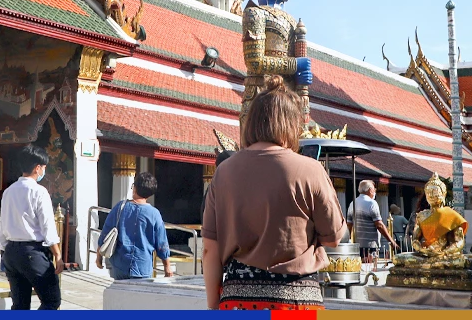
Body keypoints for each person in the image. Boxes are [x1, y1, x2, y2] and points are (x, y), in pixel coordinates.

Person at [202, 89, 346, 311]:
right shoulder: (311, 170)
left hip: (237, 301)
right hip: (297, 301)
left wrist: (213, 305)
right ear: (292, 125)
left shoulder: (224, 173)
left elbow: (210, 250)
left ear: (251, 123)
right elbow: (334, 238)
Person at [0, 145, 62, 310]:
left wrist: (4, 251)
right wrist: (58, 255)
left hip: (11, 252)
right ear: (37, 168)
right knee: (51, 300)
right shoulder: (39, 192)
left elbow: (3, 224)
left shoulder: (8, 191)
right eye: (44, 168)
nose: (44, 172)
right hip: (32, 252)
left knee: (19, 304)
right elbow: (47, 226)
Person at [96, 172, 174, 280]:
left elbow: (105, 233)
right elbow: (161, 243)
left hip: (120, 266)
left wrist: (99, 256)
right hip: (142, 267)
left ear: (134, 188)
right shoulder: (154, 214)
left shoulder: (120, 207)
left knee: (120, 295)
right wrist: (167, 266)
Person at [346, 180, 398, 259]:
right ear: (370, 190)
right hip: (370, 245)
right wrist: (391, 241)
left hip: (357, 245)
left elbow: (349, 225)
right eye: (374, 189)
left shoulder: (352, 203)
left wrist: (348, 242)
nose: (375, 191)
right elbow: (379, 225)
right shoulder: (371, 203)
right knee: (370, 267)